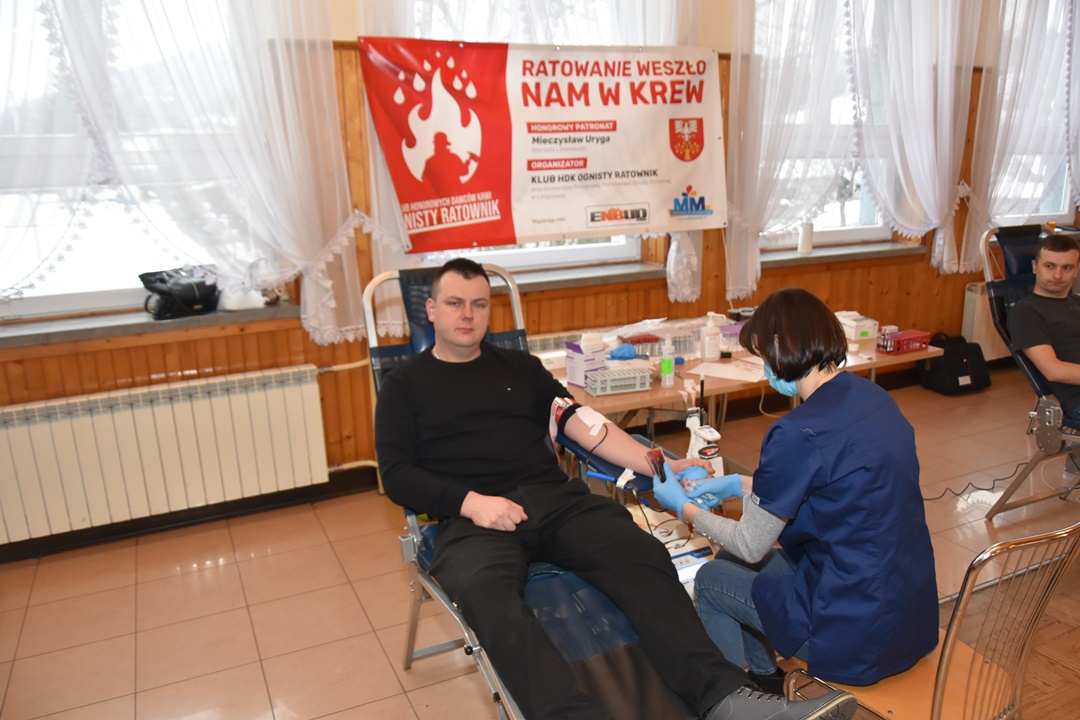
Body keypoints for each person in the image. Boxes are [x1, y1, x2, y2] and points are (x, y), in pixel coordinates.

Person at [375, 259, 857, 720]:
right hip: (473, 519)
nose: (468, 314)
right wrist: (471, 503)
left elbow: (585, 426)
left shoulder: (520, 368)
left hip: (555, 503)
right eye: (455, 303)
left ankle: (724, 699)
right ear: (431, 310)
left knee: (642, 556)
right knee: (490, 600)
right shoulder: (404, 386)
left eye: (479, 304)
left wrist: (662, 462)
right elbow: (396, 474)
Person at [652, 287, 938, 692]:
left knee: (714, 578)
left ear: (779, 347)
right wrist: (736, 485)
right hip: (908, 611)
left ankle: (732, 703)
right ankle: (766, 678)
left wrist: (684, 508)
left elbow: (751, 544)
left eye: (762, 356)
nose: (764, 369)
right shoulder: (872, 397)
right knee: (740, 563)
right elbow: (828, 486)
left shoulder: (794, 433)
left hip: (854, 632)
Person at [1007, 232, 1080, 484]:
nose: (1058, 275)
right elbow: (1053, 371)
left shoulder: (1076, 303)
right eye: (1050, 266)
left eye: (1067, 267)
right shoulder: (1026, 312)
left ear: (1076, 270)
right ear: (1035, 267)